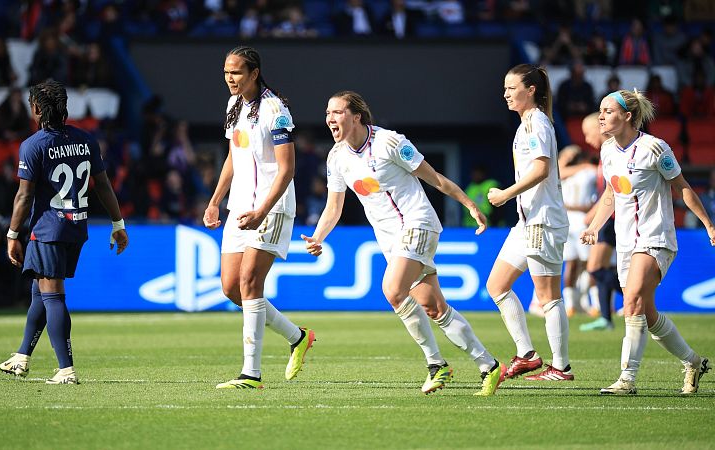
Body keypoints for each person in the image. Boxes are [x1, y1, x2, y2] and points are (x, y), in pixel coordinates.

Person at [302, 91, 506, 396]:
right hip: (390, 240)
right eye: (327, 113)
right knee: (434, 308)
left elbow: (434, 178)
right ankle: (489, 365)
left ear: (356, 116)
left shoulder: (389, 142)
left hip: (418, 223)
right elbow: (334, 206)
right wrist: (319, 236)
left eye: (337, 112)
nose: (330, 118)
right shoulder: (336, 157)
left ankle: (436, 364)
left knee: (392, 289)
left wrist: (470, 205)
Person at [580, 89, 714, 395]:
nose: (601, 116)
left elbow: (682, 187)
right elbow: (611, 194)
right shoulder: (608, 150)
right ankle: (694, 362)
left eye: (608, 111)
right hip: (626, 242)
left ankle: (627, 379)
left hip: (656, 238)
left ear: (627, 116)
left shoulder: (654, 148)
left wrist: (708, 224)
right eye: (600, 110)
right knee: (647, 314)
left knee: (631, 302)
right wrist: (594, 227)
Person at [0, 80, 129, 384]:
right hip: (76, 227)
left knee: (53, 296)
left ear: (36, 109)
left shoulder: (33, 145)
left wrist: (12, 234)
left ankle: (66, 369)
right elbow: (103, 185)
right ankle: (22, 356)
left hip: (48, 229)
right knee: (40, 292)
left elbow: (24, 196)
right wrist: (118, 224)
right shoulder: (86, 140)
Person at [203, 46, 315, 390]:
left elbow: (287, 168)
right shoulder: (233, 106)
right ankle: (298, 337)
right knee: (231, 288)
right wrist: (215, 201)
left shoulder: (275, 110)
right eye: (226, 72)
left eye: (236, 72)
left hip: (272, 207)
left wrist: (263, 210)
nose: (230, 78)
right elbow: (233, 157)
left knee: (250, 282)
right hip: (239, 207)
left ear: (254, 73)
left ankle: (251, 373)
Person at [486, 64, 573, 382]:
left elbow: (541, 169)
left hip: (542, 222)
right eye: (505, 88)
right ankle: (527, 355)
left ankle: (561, 367)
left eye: (511, 88)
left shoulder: (537, 122)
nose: (505, 94)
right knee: (497, 285)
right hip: (527, 223)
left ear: (531, 90)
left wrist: (506, 194)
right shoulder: (526, 124)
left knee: (548, 296)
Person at [579, 112, 619, 331]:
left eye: (588, 133)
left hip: (610, 218)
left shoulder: (613, 151)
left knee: (594, 268)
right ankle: (606, 318)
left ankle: (636, 294)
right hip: (607, 218)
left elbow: (612, 190)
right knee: (599, 267)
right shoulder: (605, 152)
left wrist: (594, 214)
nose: (586, 139)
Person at [557, 145, 597, 316]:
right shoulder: (588, 172)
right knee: (590, 264)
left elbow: (558, 171)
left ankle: (571, 305)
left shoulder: (561, 175)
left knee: (571, 264)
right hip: (582, 221)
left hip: (566, 222)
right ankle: (596, 304)